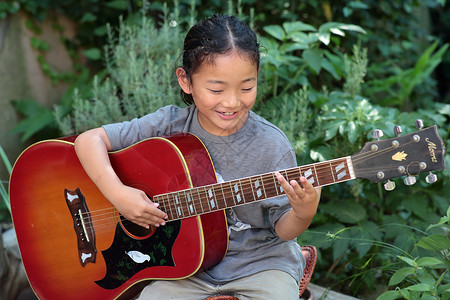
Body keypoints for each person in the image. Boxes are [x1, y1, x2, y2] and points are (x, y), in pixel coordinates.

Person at [74, 13, 321, 300]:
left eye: (247, 87)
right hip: (184, 270)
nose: (232, 101)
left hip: (260, 265)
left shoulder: (272, 145)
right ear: (186, 81)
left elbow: (284, 230)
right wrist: (118, 195)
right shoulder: (168, 125)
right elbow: (89, 140)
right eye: (216, 89)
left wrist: (303, 211)